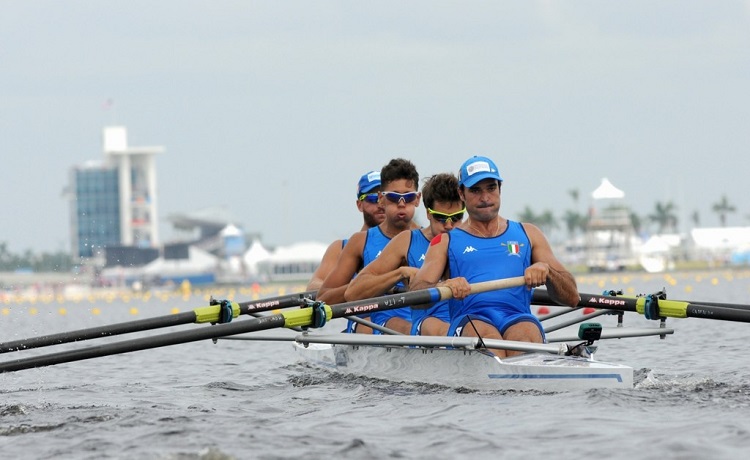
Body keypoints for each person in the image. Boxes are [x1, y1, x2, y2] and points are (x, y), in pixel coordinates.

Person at [410, 155, 580, 356]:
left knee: (526, 334)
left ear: (500, 189)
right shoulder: (445, 242)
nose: (485, 198)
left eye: (491, 188)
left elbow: (572, 297)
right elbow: (416, 296)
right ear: (461, 194)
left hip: (517, 317)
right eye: (475, 190)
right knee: (488, 340)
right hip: (472, 320)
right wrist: (442, 286)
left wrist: (548, 272)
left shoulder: (529, 234)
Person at [344, 173, 464, 336]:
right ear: (428, 214)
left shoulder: (472, 241)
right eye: (441, 218)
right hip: (424, 327)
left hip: (461, 324)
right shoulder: (406, 241)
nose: (449, 226)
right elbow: (352, 293)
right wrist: (400, 273)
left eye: (456, 218)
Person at [317, 158, 421, 334]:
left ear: (418, 199)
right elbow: (323, 300)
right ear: (382, 199)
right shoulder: (360, 242)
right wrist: (375, 285)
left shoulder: (433, 240)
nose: (401, 203)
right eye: (394, 197)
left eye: (408, 197)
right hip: (369, 327)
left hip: (417, 328)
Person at [306, 170, 385, 291]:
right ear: (359, 205)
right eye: (373, 198)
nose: (380, 205)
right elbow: (312, 287)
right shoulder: (340, 248)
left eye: (384, 198)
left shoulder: (405, 242)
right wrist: (354, 287)